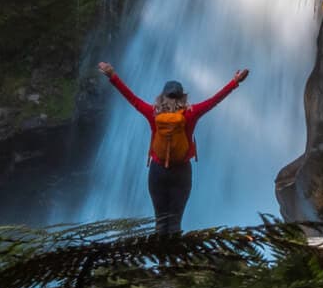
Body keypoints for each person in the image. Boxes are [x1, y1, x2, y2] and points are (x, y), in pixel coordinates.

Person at [96, 60, 249, 237]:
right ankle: (174, 262)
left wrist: (112, 76)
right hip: (182, 172)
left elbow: (133, 100)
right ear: (183, 97)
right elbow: (214, 100)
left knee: (160, 223)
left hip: (157, 171)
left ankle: (160, 262)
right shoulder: (191, 113)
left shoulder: (153, 113)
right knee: (175, 223)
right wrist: (234, 82)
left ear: (162, 96)